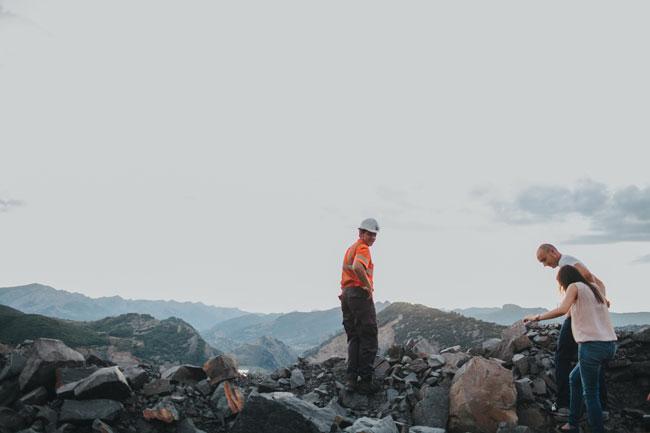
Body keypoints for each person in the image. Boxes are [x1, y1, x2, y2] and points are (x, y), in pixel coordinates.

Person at [524, 265, 617, 433]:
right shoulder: (595, 288)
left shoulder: (575, 287)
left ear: (564, 281)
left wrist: (536, 317)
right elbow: (599, 281)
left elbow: (562, 309)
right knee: (574, 379)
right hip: (609, 346)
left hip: (591, 347)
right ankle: (573, 423)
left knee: (590, 393)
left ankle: (597, 429)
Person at [536, 244, 609, 414]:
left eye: (544, 259)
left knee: (562, 356)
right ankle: (602, 406)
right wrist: (602, 300)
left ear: (553, 252)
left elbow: (588, 276)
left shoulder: (567, 262)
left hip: (578, 316)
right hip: (591, 316)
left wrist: (575, 303)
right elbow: (598, 282)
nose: (545, 265)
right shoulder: (570, 261)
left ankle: (564, 404)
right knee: (591, 358)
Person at [339, 218, 380, 394]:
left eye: (374, 234)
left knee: (354, 337)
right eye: (369, 233)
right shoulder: (363, 248)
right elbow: (357, 267)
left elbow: (348, 267)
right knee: (369, 336)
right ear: (361, 233)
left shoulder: (351, 248)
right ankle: (365, 382)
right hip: (358, 294)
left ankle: (351, 380)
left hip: (346, 295)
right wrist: (368, 287)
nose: (372, 237)